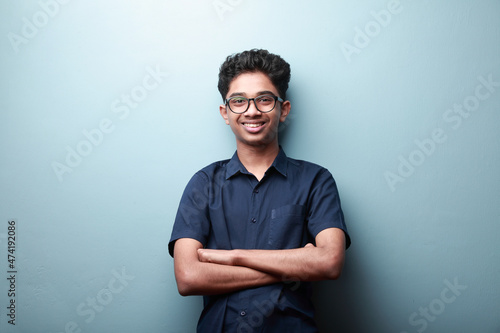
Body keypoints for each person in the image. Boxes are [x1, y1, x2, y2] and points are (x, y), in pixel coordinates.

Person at [168, 49, 351, 332]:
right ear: (225, 113)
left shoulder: (316, 180)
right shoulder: (203, 183)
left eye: (264, 100)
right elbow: (189, 277)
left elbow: (329, 262)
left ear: (283, 109)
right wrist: (292, 265)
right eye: (238, 101)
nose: (252, 110)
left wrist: (233, 257)